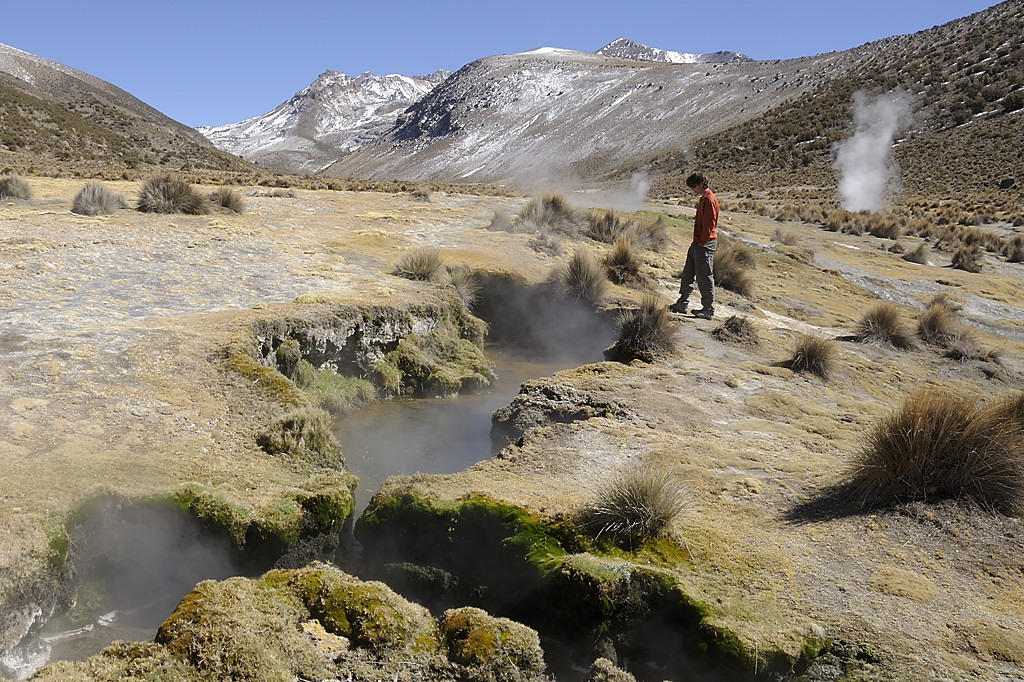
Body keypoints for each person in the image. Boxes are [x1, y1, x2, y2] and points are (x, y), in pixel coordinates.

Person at [670, 172, 718, 319]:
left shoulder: (709, 200)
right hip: (698, 243)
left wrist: (702, 243)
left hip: (705, 244)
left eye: (693, 186)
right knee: (688, 273)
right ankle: (682, 304)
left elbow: (709, 225)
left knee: (704, 276)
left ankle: (708, 309)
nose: (692, 190)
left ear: (702, 184)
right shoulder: (703, 198)